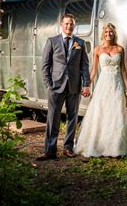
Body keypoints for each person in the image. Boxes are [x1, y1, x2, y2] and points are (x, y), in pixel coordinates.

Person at [74, 23, 127, 157]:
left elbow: (123, 69)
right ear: (103, 34)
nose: (108, 34)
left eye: (110, 32)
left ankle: (117, 146)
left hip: (117, 85)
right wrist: (87, 84)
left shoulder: (120, 49)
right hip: (103, 85)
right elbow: (94, 70)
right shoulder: (98, 50)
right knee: (101, 112)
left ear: (114, 34)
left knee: (117, 113)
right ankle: (99, 145)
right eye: (106, 32)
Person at [37, 13, 91, 161]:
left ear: (74, 25)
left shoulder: (80, 42)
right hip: (56, 86)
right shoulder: (52, 41)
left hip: (74, 86)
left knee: (72, 118)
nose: (69, 26)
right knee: (52, 118)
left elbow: (84, 66)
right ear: (61, 25)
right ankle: (50, 150)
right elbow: (45, 65)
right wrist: (49, 84)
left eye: (71, 24)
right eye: (66, 23)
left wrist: (86, 84)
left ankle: (68, 148)